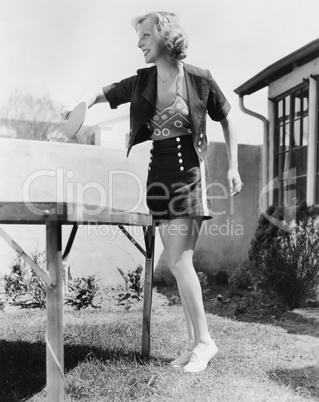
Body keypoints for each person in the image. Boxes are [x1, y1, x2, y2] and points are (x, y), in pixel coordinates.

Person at [61, 11, 242, 373]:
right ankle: (194, 346)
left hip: (189, 175)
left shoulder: (200, 79)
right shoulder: (143, 81)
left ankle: (205, 342)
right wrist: (81, 101)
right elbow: (103, 92)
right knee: (179, 266)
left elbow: (226, 117)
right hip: (157, 177)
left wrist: (234, 166)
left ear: (163, 36)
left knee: (178, 261)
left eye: (145, 35)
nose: (139, 42)